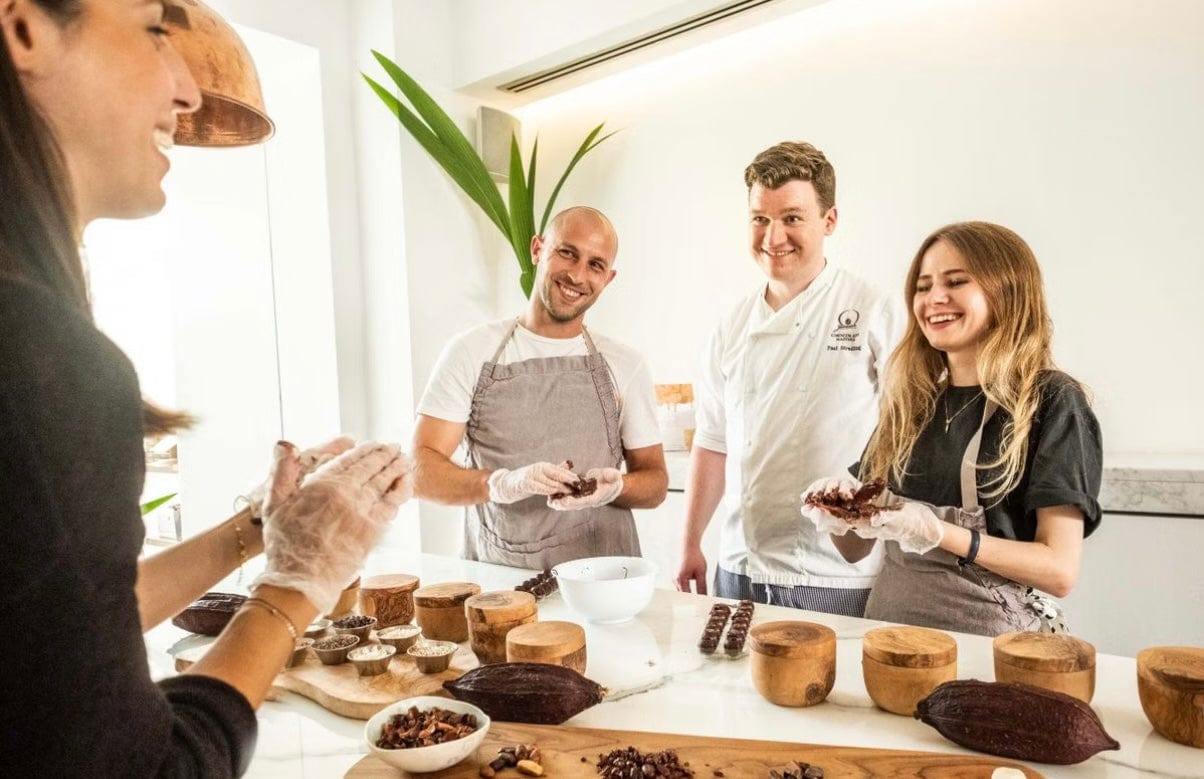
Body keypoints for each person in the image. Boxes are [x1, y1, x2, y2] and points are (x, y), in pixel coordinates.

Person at [0, 1, 410, 775]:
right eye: (155, 28)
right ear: (24, 27)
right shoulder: (38, 359)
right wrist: (296, 586)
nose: (188, 94)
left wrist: (257, 529)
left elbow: (72, 620)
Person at [802, 221, 1102, 636]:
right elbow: (855, 550)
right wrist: (837, 514)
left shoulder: (1050, 401)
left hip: (989, 645)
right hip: (890, 639)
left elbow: (1059, 571)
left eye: (956, 282)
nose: (933, 299)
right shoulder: (913, 402)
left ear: (1008, 291)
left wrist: (939, 532)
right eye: (923, 287)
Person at [674, 141, 906, 615]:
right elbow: (713, 441)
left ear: (830, 221)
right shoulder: (731, 326)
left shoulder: (872, 311)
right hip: (738, 568)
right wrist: (691, 542)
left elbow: (906, 434)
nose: (772, 235)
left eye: (792, 218)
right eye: (760, 218)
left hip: (835, 576)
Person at [412, 206, 668, 569]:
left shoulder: (625, 364)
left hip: (604, 582)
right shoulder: (471, 352)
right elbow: (419, 470)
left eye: (595, 265)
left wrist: (616, 488)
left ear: (608, 279)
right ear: (537, 249)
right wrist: (502, 484)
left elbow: (655, 482)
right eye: (567, 252)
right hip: (502, 581)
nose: (578, 275)